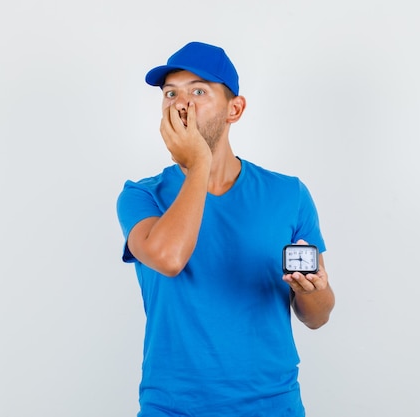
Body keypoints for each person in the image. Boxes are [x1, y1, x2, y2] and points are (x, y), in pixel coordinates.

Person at [116, 41, 335, 417]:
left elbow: (317, 316)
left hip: (273, 405)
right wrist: (199, 162)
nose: (181, 104)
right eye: (171, 93)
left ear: (235, 109)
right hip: (171, 408)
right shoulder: (141, 196)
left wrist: (313, 290)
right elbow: (169, 259)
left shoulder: (288, 193)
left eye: (198, 91)